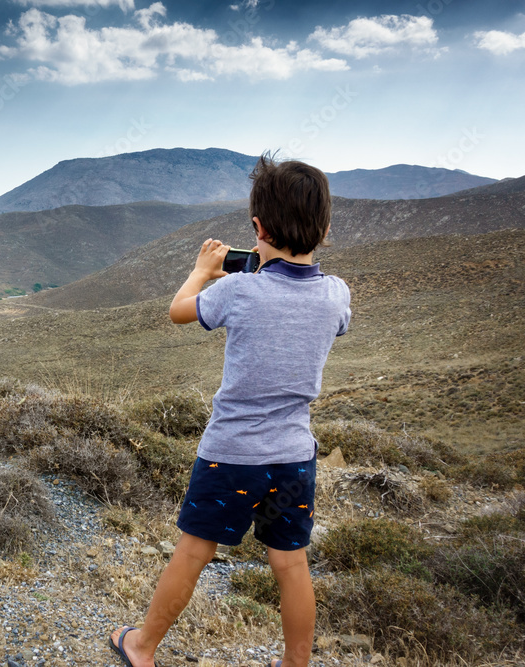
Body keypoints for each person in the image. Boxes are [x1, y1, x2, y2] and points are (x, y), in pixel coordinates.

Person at [109, 153, 351, 667]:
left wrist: (201, 272)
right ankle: (295, 663)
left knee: (195, 552)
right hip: (293, 458)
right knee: (291, 564)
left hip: (231, 456)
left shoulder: (238, 289)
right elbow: (327, 315)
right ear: (325, 230)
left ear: (257, 227)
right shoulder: (336, 295)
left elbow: (178, 312)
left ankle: (143, 646)